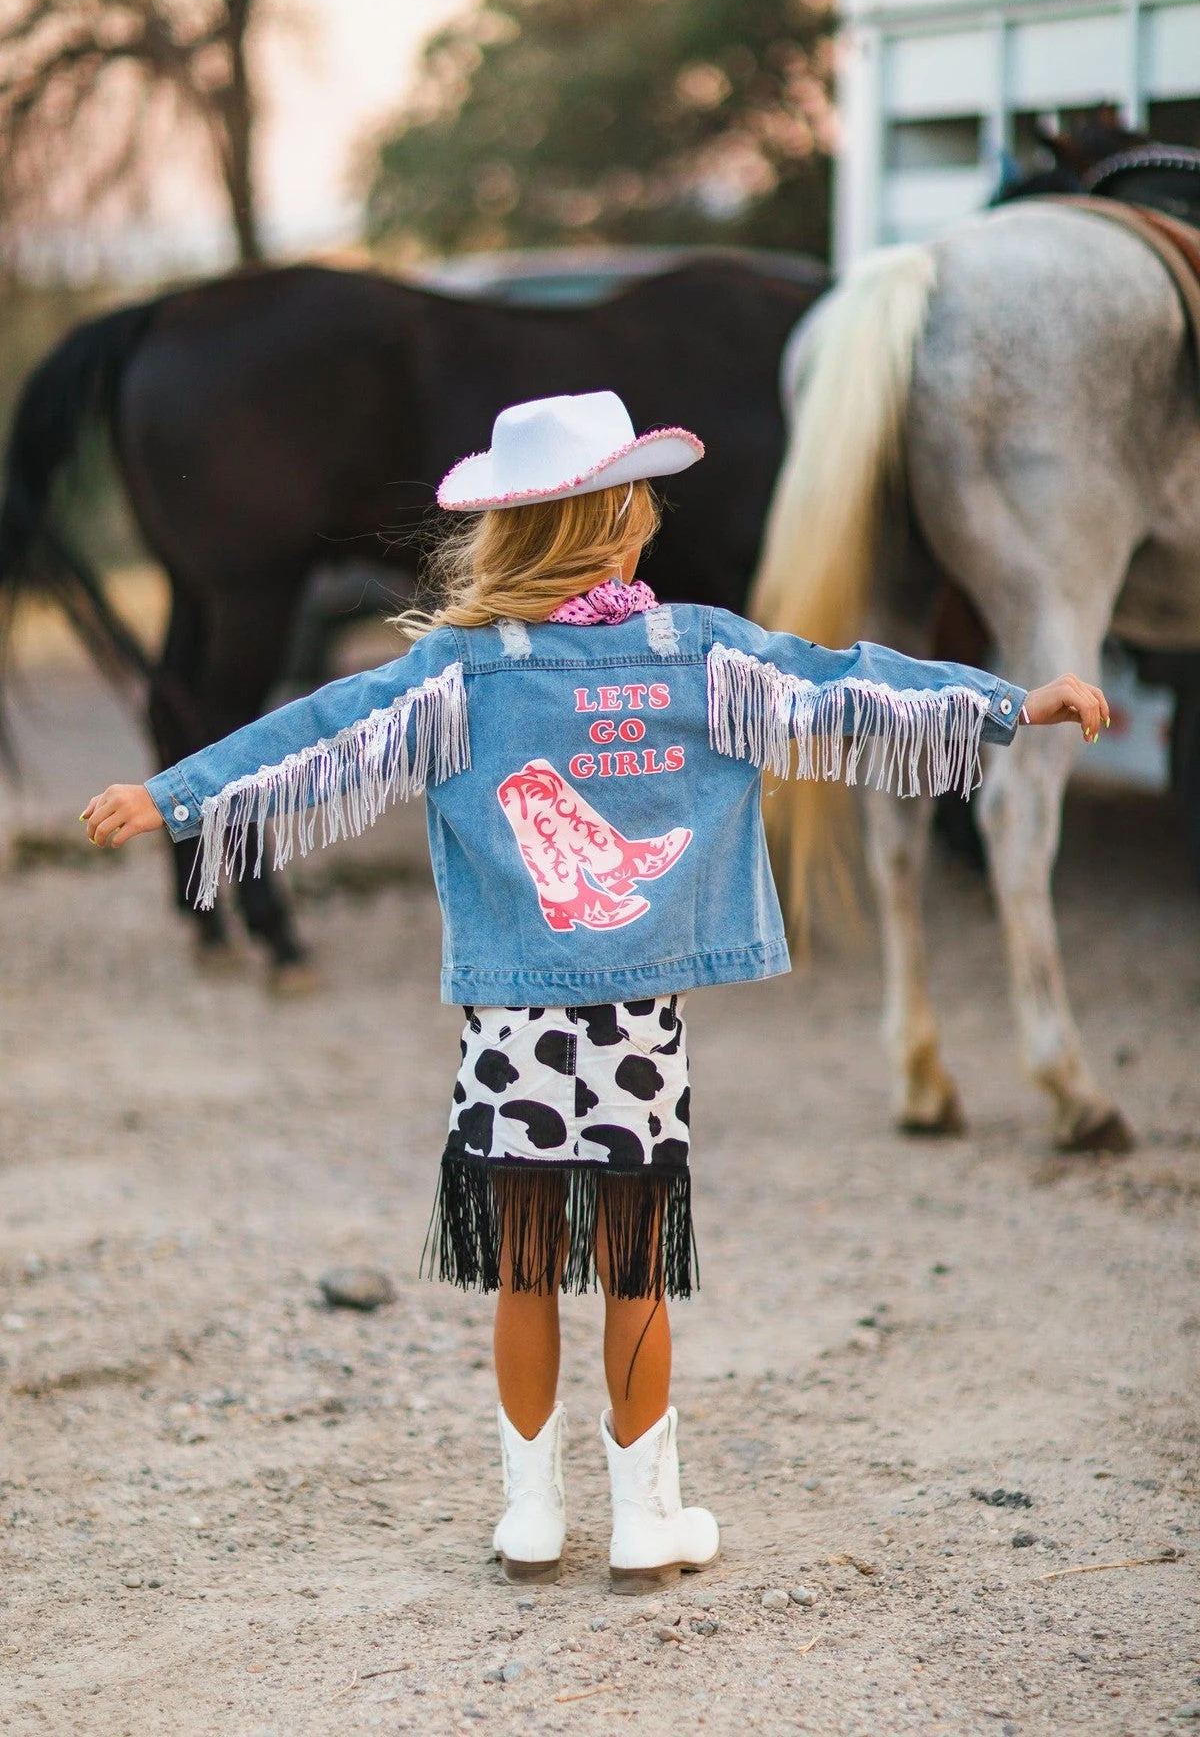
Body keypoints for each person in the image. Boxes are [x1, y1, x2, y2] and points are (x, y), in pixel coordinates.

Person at [83, 390, 1109, 1593]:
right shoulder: (696, 652)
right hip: (636, 1030)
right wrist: (1008, 704)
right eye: (640, 505)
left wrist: (177, 797)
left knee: (523, 1268)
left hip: (509, 1030)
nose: (651, 523)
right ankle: (643, 1517)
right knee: (632, 1267)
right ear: (612, 529)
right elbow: (846, 688)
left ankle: (530, 1517)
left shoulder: (458, 673)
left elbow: (313, 734)